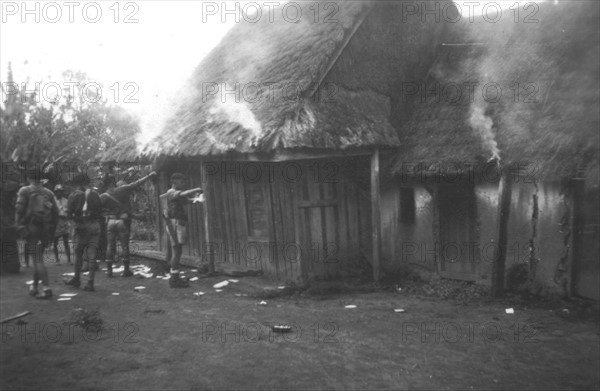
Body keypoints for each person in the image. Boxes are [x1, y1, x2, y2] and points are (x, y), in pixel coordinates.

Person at [100, 171, 157, 277]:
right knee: (124, 246)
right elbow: (137, 183)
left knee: (109, 245)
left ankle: (109, 271)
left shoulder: (103, 196)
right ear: (114, 182)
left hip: (110, 221)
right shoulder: (122, 189)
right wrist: (149, 176)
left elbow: (99, 209)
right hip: (122, 221)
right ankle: (126, 270)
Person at [15, 167, 59, 299]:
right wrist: (52, 231)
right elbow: (56, 213)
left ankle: (46, 289)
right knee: (38, 258)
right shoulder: (49, 193)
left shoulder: (25, 190)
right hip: (45, 228)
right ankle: (34, 287)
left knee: (38, 259)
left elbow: (19, 210)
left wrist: (19, 226)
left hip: (31, 227)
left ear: (29, 177)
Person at [162, 172, 203, 288]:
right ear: (174, 182)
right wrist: (198, 189)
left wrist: (197, 199)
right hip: (174, 224)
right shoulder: (171, 192)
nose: (183, 183)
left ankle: (175, 277)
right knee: (177, 252)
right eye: (181, 181)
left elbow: (187, 200)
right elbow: (183, 194)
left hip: (178, 224)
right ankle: (174, 279)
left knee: (178, 252)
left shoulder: (176, 195)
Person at [64, 174, 103, 291]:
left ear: (78, 184)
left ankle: (77, 279)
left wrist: (75, 226)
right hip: (95, 226)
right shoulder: (96, 194)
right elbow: (100, 211)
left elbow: (68, 214)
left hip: (81, 227)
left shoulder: (74, 195)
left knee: (78, 254)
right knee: (92, 255)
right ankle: (90, 282)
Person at [52, 184, 71, 264]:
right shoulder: (52, 201)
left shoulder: (66, 201)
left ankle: (69, 259)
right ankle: (57, 259)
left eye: (60, 192)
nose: (59, 193)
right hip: (56, 223)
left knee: (66, 242)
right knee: (55, 242)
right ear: (55, 192)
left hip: (65, 222)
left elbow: (69, 211)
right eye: (58, 192)